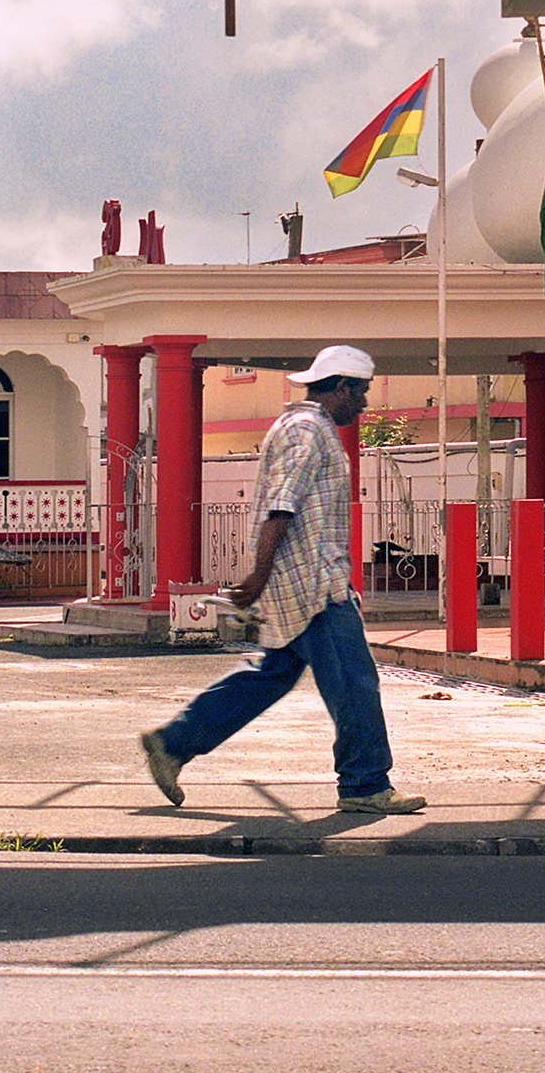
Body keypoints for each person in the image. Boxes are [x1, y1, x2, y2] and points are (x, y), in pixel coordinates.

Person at [140, 344, 427, 820]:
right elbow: (282, 503)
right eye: (360, 393)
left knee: (270, 677)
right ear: (340, 387)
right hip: (314, 586)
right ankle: (364, 784)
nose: (364, 404)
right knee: (355, 684)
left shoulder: (301, 427)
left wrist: (265, 574)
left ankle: (173, 744)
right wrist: (258, 573)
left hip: (301, 582)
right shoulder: (308, 431)